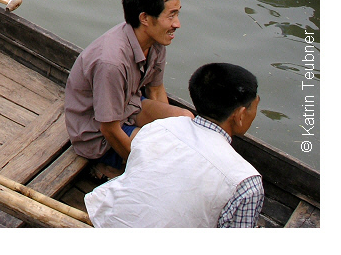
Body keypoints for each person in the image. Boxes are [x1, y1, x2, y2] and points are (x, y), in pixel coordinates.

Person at [84, 63, 264, 228]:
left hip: (106, 223)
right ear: (240, 115)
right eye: (254, 106)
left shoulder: (159, 127)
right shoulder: (247, 183)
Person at [64, 0, 193, 169]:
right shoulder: (112, 63)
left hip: (128, 106)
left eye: (178, 13)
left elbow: (156, 90)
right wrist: (141, 168)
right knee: (163, 159)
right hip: (98, 133)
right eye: (171, 15)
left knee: (186, 120)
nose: (177, 24)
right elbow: (109, 128)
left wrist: (169, 133)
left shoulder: (156, 42)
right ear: (145, 18)